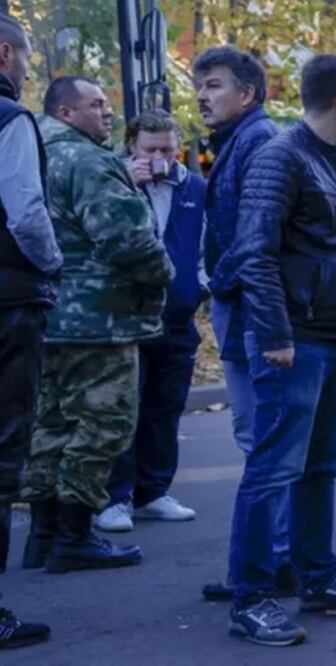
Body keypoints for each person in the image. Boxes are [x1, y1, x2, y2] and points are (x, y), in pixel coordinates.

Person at [227, 54, 336, 646]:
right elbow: (255, 252)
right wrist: (273, 335)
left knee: (321, 468)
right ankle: (251, 598)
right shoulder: (281, 157)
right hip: (295, 342)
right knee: (272, 470)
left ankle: (318, 580)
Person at [22, 76, 174, 574]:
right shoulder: (87, 160)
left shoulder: (28, 150)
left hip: (44, 316)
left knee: (53, 423)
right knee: (104, 425)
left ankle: (43, 534)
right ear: (67, 113)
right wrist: (164, 276)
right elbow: (127, 239)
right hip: (98, 320)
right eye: (97, 104)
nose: (108, 113)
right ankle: (75, 536)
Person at [192, 46, 293, 601]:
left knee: (262, 442)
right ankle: (273, 558)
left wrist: (216, 280)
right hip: (245, 314)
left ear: (247, 93)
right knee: (258, 439)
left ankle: (269, 564)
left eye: (213, 85)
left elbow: (254, 239)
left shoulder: (258, 142)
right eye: (200, 86)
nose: (202, 96)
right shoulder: (241, 142)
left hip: (254, 315)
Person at [94, 110, 206, 532]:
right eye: (151, 149)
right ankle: (114, 498)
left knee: (165, 407)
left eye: (168, 149)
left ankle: (153, 491)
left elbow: (205, 244)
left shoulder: (194, 187)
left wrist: (199, 288)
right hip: (126, 316)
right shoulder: (114, 183)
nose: (161, 157)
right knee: (125, 407)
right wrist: (129, 186)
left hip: (177, 317)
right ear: (131, 147)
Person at [0, 14, 56, 649]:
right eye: (24, 58)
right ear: (4, 52)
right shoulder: (10, 121)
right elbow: (26, 211)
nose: (25, 70)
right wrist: (52, 265)